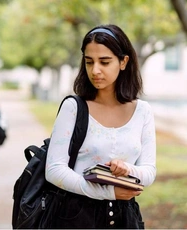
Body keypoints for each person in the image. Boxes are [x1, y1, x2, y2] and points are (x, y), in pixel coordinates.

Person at [45, 24, 156, 229]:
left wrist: (126, 169)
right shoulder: (73, 108)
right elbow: (54, 169)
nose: (95, 70)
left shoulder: (143, 111)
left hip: (126, 218)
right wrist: (107, 192)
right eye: (89, 62)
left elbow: (149, 172)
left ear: (123, 62)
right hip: (76, 216)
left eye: (104, 62)